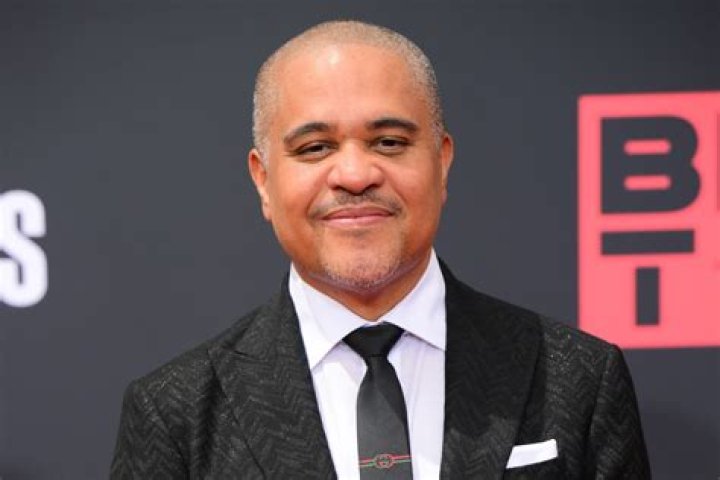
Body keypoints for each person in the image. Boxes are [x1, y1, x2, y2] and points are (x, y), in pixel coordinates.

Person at [111, 20, 650, 479]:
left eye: (389, 142)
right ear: (263, 180)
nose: (354, 174)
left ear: (441, 162)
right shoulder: (175, 412)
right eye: (315, 147)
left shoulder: (579, 379)